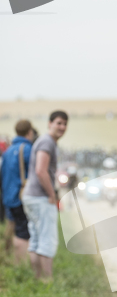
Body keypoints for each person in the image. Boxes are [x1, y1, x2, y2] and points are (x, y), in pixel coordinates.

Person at [22, 111, 68, 280]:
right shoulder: (47, 142)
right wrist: (52, 195)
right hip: (40, 197)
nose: (62, 127)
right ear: (50, 123)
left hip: (31, 196)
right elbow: (41, 171)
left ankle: (37, 279)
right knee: (47, 241)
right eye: (58, 123)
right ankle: (47, 281)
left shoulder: (45, 141)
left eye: (64, 124)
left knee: (35, 241)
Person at [1, 120, 34, 264]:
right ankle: (19, 263)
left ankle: (5, 256)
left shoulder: (8, 151)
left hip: (8, 196)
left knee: (11, 228)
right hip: (20, 196)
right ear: (29, 132)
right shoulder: (27, 149)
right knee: (23, 232)